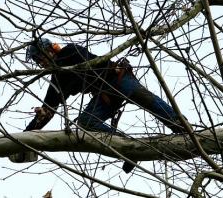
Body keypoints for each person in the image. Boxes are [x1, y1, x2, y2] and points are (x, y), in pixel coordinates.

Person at [22, 37, 186, 172]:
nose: (40, 63)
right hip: (105, 95)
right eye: (37, 61)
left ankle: (180, 125)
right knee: (86, 122)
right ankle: (127, 147)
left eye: (39, 58)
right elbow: (49, 109)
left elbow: (82, 64)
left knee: (148, 100)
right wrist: (26, 134)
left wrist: (66, 85)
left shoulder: (70, 51)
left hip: (117, 78)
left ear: (49, 50)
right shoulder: (57, 78)